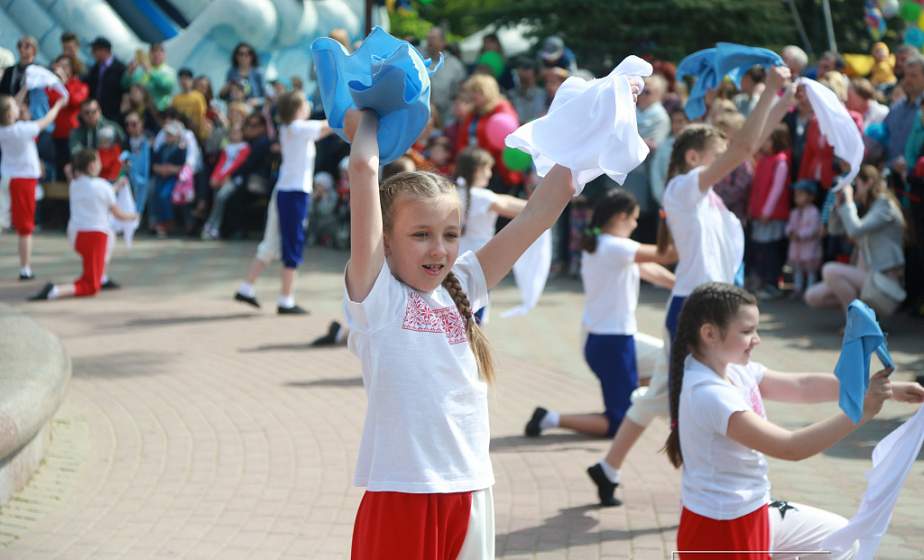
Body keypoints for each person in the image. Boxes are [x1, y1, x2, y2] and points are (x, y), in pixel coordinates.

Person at [345, 97, 583, 557]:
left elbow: (538, 214)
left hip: (472, 488)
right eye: (421, 235)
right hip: (403, 491)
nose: (439, 249)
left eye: (450, 235)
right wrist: (371, 114)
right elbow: (362, 169)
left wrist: (596, 120)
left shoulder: (464, 283)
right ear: (385, 244)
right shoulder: (378, 299)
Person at [586, 66, 794, 507]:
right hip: (695, 311)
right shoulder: (683, 189)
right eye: (718, 154)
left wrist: (785, 101)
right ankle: (716, 490)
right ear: (697, 158)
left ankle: (607, 468)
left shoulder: (715, 204)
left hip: (718, 308)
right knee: (702, 399)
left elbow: (745, 145)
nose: (730, 162)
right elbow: (744, 146)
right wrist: (774, 93)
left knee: (673, 396)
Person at [665, 282, 923, 558]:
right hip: (721, 529)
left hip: (751, 510)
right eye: (747, 331)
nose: (757, 338)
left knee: (838, 540)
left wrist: (890, 390)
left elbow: (802, 386)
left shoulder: (733, 369)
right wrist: (862, 411)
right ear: (709, 334)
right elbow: (790, 447)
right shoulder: (709, 394)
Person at [525, 190, 675, 439]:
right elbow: (666, 255)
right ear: (620, 216)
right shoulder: (615, 247)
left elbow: (651, 271)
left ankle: (635, 400)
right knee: (620, 424)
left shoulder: (604, 247)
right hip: (612, 344)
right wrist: (671, 219)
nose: (636, 224)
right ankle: (549, 418)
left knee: (667, 361)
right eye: (634, 218)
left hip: (611, 339)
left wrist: (682, 286)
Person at [233, 93, 330, 314]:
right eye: (306, 103)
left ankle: (246, 287)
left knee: (270, 243)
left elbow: (323, 129)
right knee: (292, 243)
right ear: (297, 108)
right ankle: (286, 299)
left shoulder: (290, 129)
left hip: (284, 191)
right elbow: (331, 124)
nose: (308, 107)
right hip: (294, 193)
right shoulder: (298, 127)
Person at [28, 149, 137, 301]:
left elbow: (98, 194)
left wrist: (116, 187)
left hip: (77, 236)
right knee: (92, 286)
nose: (100, 164)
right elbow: (117, 213)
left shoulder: (75, 185)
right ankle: (55, 291)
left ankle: (101, 276)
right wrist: (133, 216)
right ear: (92, 165)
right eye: (98, 161)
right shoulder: (102, 186)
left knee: (96, 263)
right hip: (95, 237)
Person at [805, 165, 906, 313]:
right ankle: (862, 317)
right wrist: (839, 205)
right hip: (864, 275)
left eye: (855, 183)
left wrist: (849, 201)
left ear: (869, 182)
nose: (852, 188)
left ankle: (855, 323)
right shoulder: (866, 205)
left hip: (882, 280)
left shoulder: (885, 206)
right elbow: (834, 230)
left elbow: (854, 230)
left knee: (829, 270)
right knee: (813, 296)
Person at [0, 93, 65, 280]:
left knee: (3, 221)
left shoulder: (5, 129)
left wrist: (25, 87)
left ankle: (25, 267)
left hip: (8, 178)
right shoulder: (22, 130)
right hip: (23, 180)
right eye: (15, 106)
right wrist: (58, 105)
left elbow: (10, 106)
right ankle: (25, 268)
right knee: (25, 228)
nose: (19, 107)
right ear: (9, 112)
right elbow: (46, 121)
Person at [455, 74, 521, 190]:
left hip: (495, 170)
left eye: (478, 91)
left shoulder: (502, 110)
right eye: (473, 91)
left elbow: (502, 140)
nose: (474, 95)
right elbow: (464, 137)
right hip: (473, 166)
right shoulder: (474, 112)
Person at [747, 125, 791, 299]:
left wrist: (767, 210)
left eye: (767, 139)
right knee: (760, 249)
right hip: (760, 213)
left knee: (771, 250)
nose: (763, 143)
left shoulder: (780, 161)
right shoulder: (763, 160)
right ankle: (762, 282)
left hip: (771, 215)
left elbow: (777, 189)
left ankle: (772, 283)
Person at [202, 125, 250, 239]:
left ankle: (213, 225)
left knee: (221, 197)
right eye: (232, 133)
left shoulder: (245, 147)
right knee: (216, 198)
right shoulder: (227, 147)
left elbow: (237, 164)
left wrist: (224, 177)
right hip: (221, 178)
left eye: (237, 133)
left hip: (234, 179)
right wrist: (215, 177)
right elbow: (221, 164)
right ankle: (213, 227)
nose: (234, 135)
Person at [48, 54, 89, 179]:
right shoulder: (50, 86)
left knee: (74, 169)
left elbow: (74, 100)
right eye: (59, 65)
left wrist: (64, 83)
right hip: (53, 134)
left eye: (66, 66)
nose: (62, 69)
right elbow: (51, 101)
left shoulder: (80, 86)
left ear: (72, 68)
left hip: (71, 135)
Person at [786, 180, 823, 300]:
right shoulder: (794, 212)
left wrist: (800, 235)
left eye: (800, 194)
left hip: (809, 247)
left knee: (810, 270)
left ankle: (810, 290)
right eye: (796, 194)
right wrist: (790, 232)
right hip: (797, 247)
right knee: (798, 270)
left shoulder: (814, 212)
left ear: (811, 197)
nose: (796, 197)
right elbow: (789, 225)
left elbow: (813, 228)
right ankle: (798, 289)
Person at [425, 27, 466, 122]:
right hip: (424, 115)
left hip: (448, 115)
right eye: (428, 38)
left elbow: (461, 91)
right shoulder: (419, 61)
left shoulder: (455, 64)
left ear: (443, 42)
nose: (429, 42)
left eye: (433, 39)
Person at [122, 43, 176, 112]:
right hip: (137, 110)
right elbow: (124, 85)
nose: (156, 54)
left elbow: (167, 87)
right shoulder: (140, 69)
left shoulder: (169, 71)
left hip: (157, 111)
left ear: (165, 54)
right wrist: (129, 72)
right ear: (149, 53)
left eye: (160, 51)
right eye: (154, 51)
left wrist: (150, 71)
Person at [86, 37, 127, 123]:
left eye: (95, 50)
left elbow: (125, 92)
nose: (92, 53)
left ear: (104, 50)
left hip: (111, 116)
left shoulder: (120, 69)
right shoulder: (94, 69)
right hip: (94, 114)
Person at [121, 111, 151, 215]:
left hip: (149, 176)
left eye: (134, 124)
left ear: (141, 124)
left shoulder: (150, 139)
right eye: (127, 124)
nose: (130, 127)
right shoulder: (124, 142)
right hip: (130, 176)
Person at [171, 68, 208, 140]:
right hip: (180, 133)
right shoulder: (176, 99)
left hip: (196, 132)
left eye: (186, 79)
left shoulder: (198, 97)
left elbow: (202, 115)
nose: (184, 82)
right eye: (181, 79)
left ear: (192, 81)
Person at [507, 57, 545, 124]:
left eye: (526, 68)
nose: (521, 72)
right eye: (519, 68)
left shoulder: (544, 94)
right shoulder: (511, 95)